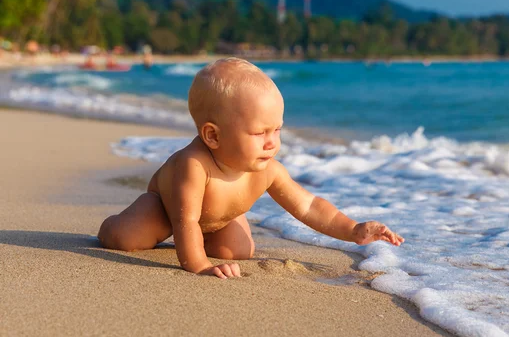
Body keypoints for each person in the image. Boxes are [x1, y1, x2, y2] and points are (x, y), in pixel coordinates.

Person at [98, 58, 404, 278]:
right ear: (213, 136)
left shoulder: (267, 169)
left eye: (277, 130)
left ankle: (215, 233)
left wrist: (353, 229)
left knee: (238, 252)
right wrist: (200, 265)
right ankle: (112, 224)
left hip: (216, 219)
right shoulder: (194, 165)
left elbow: (308, 205)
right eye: (260, 133)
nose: (271, 142)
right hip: (166, 211)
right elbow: (186, 222)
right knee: (129, 239)